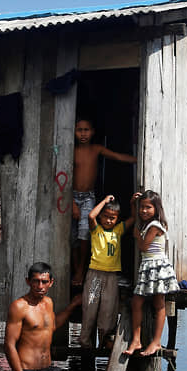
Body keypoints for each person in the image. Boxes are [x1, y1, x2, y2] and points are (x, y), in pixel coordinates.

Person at [72, 118, 137, 286]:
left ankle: (80, 270)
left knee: (85, 232)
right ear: (73, 131)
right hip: (71, 196)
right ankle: (75, 267)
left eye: (86, 130)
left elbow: (117, 157)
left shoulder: (96, 149)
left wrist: (140, 159)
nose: (83, 133)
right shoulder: (71, 151)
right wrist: (71, 203)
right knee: (72, 237)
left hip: (88, 197)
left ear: (92, 132)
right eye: (79, 130)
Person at [5, 262, 82, 371]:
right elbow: (9, 345)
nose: (40, 286)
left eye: (44, 282)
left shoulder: (48, 303)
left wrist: (71, 307)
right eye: (36, 281)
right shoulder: (19, 307)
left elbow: (51, 327)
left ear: (51, 282)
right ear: (28, 281)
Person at [123, 190, 180, 357]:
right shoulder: (147, 224)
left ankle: (155, 342)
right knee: (137, 302)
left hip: (156, 266)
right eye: (142, 207)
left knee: (158, 303)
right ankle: (137, 340)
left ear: (156, 208)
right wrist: (133, 205)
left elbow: (143, 247)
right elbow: (137, 221)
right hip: (148, 266)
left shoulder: (154, 226)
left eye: (148, 207)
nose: (144, 210)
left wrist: (136, 235)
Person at [79, 194, 135, 348]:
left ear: (117, 219)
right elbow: (91, 216)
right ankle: (85, 342)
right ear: (101, 216)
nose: (109, 220)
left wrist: (132, 203)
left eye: (113, 218)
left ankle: (104, 341)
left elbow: (133, 218)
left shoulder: (118, 230)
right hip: (94, 274)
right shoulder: (96, 230)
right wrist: (104, 201)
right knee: (90, 307)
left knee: (108, 310)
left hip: (111, 276)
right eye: (106, 216)